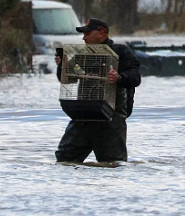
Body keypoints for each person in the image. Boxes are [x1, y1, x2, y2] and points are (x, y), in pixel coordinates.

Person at [54, 18, 141, 163]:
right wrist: (62, 66)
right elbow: (67, 79)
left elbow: (135, 77)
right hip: (84, 114)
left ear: (101, 33)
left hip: (111, 118)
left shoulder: (121, 51)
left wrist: (119, 77)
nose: (84, 37)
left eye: (87, 33)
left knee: (113, 162)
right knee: (65, 159)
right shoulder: (81, 54)